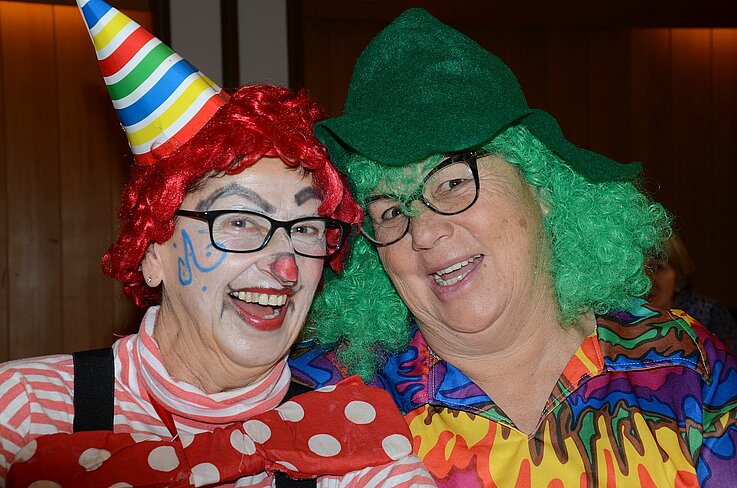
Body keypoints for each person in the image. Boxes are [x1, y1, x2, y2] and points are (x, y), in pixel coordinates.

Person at [289, 8, 737, 487]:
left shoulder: (681, 365)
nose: (423, 233)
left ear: (541, 187)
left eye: (452, 184)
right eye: (392, 212)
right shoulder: (329, 404)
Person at [0, 2, 434, 486]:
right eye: (240, 220)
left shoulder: (354, 444)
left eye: (306, 228)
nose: (286, 268)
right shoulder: (24, 408)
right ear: (152, 251)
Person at [647, 231, 737, 352]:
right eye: (639, 270)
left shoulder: (709, 315)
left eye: (658, 268)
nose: (646, 280)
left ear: (678, 275)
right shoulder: (623, 320)